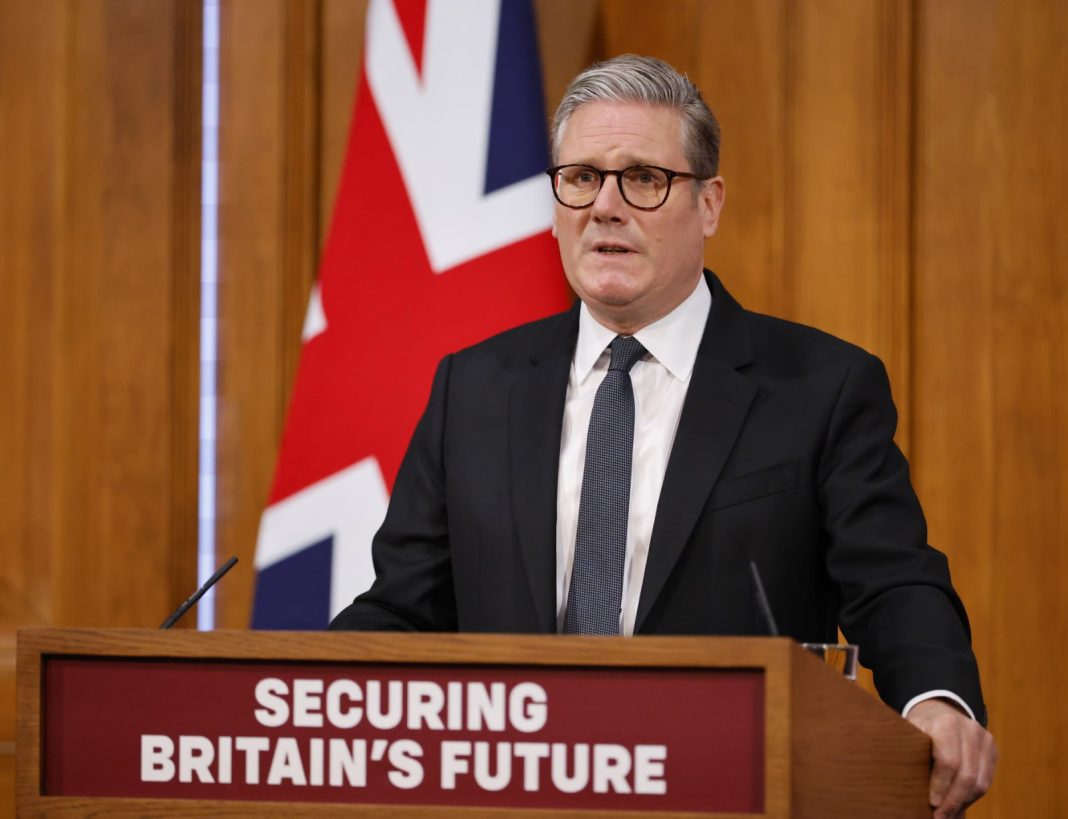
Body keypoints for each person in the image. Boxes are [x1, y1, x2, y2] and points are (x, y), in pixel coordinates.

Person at [330, 54, 996, 817]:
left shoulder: (820, 387)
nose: (605, 206)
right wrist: (284, 693)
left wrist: (935, 700)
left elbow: (892, 582)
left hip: (731, 792)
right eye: (581, 177)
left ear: (709, 204)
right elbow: (407, 607)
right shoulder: (473, 389)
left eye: (643, 178)